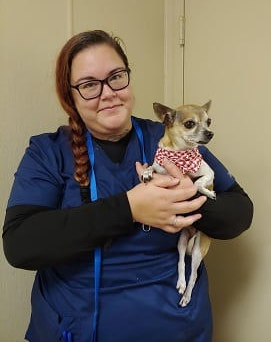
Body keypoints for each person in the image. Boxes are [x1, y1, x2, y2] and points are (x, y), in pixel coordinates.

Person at [3, 30, 253, 342]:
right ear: (71, 97)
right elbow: (20, 245)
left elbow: (240, 213)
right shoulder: (48, 152)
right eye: (90, 85)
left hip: (177, 329)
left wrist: (185, 195)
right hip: (75, 331)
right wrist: (130, 208)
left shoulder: (170, 141)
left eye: (116, 76)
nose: (108, 92)